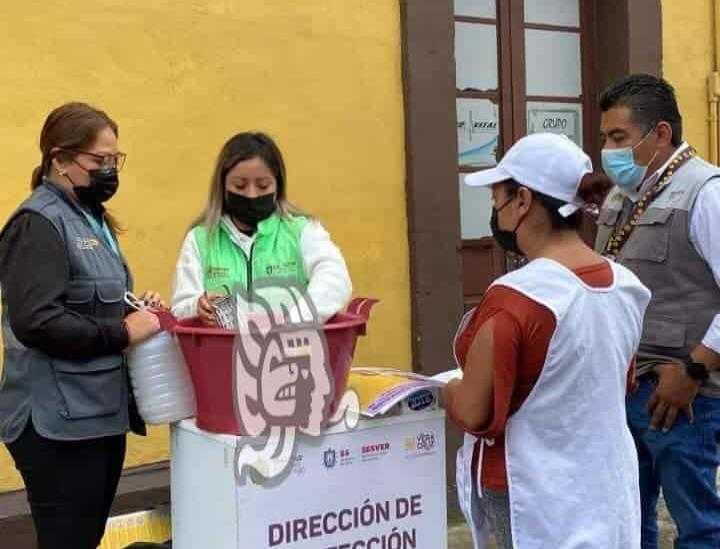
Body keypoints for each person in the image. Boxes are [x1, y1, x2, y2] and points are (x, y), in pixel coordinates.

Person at [443, 133, 651, 548]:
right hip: (605, 487)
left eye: (497, 198)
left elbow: (475, 409)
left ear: (522, 201)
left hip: (532, 496)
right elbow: (619, 380)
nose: (495, 209)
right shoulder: (627, 286)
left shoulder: (516, 297)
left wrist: (445, 389)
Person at [0, 102, 165, 549]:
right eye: (99, 161)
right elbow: (37, 320)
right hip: (56, 424)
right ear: (60, 159)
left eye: (115, 160)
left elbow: (88, 303)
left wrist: (132, 310)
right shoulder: (39, 222)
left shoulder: (89, 218)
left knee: (84, 538)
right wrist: (124, 332)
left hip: (94, 414)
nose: (110, 170)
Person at [597, 74, 720, 548]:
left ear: (661, 134)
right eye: (606, 138)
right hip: (626, 387)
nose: (609, 150)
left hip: (685, 398)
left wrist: (693, 369)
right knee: (629, 520)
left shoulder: (704, 193)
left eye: (619, 138)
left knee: (699, 529)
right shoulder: (620, 195)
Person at [171, 131, 351, 325]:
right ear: (222, 187)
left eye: (263, 186)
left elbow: (335, 279)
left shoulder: (303, 232)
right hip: (220, 352)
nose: (251, 194)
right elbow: (180, 307)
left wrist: (294, 323)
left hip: (293, 350)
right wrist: (196, 306)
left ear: (278, 186)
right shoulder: (200, 239)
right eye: (239, 186)